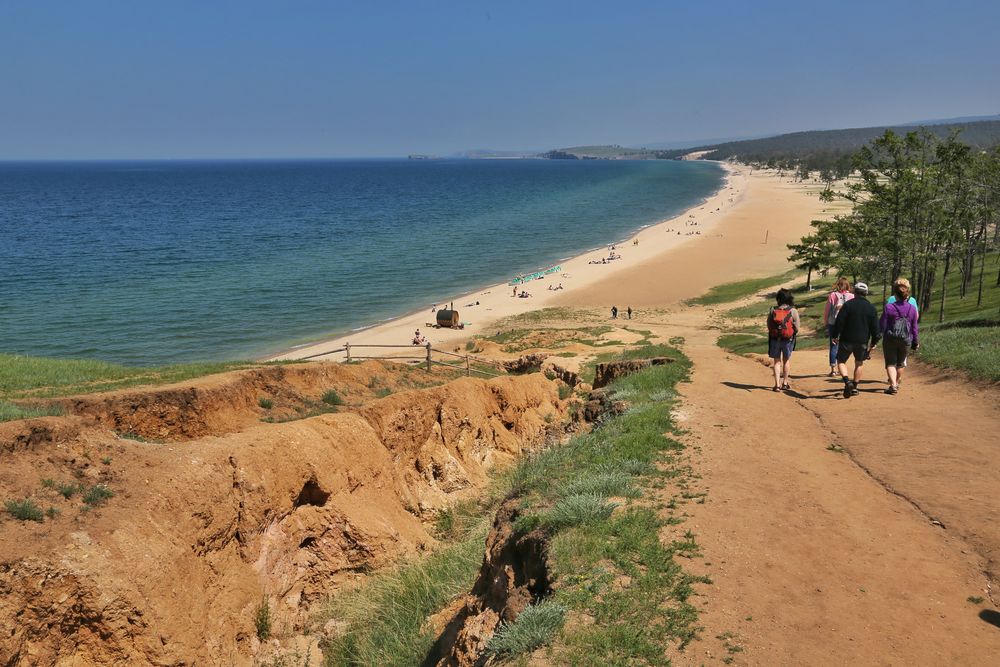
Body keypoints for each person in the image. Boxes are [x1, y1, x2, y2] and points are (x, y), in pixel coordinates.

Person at [832, 282, 880, 398]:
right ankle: (854, 387)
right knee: (859, 363)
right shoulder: (871, 308)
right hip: (862, 341)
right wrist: (874, 342)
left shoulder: (848, 305)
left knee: (841, 361)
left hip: (846, 339)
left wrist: (835, 335)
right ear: (866, 293)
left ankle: (847, 382)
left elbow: (839, 322)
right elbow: (875, 328)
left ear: (854, 292)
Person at [879, 277, 919, 394]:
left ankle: (893, 385)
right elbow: (914, 326)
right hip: (906, 339)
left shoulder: (889, 307)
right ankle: (895, 383)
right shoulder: (912, 308)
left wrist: (878, 335)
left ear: (895, 295)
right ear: (907, 295)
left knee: (890, 363)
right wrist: (915, 341)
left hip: (890, 338)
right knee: (901, 363)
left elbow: (882, 324)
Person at [766, 288, 800, 391]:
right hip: (787, 339)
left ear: (778, 299)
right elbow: (797, 327)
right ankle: (785, 383)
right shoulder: (793, 311)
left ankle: (777, 385)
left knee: (776, 361)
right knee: (786, 361)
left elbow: (769, 325)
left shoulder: (773, 310)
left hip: (775, 339)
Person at [823, 277, 854, 376]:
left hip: (833, 322)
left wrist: (826, 321)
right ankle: (842, 367)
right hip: (847, 323)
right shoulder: (852, 296)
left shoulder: (833, 295)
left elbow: (827, 310)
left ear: (838, 285)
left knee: (833, 345)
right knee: (844, 346)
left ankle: (833, 369)